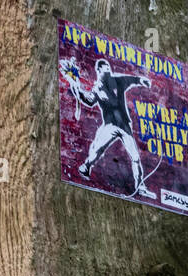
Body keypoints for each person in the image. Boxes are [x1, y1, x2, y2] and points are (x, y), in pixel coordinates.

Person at [64, 59, 155, 199]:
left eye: (108, 68)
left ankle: (140, 186)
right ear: (99, 71)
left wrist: (142, 80)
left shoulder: (118, 81)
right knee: (97, 149)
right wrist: (78, 90)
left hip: (124, 126)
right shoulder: (97, 88)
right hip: (109, 125)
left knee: (135, 157)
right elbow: (88, 100)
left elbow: (132, 79)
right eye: (104, 69)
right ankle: (87, 166)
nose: (107, 71)